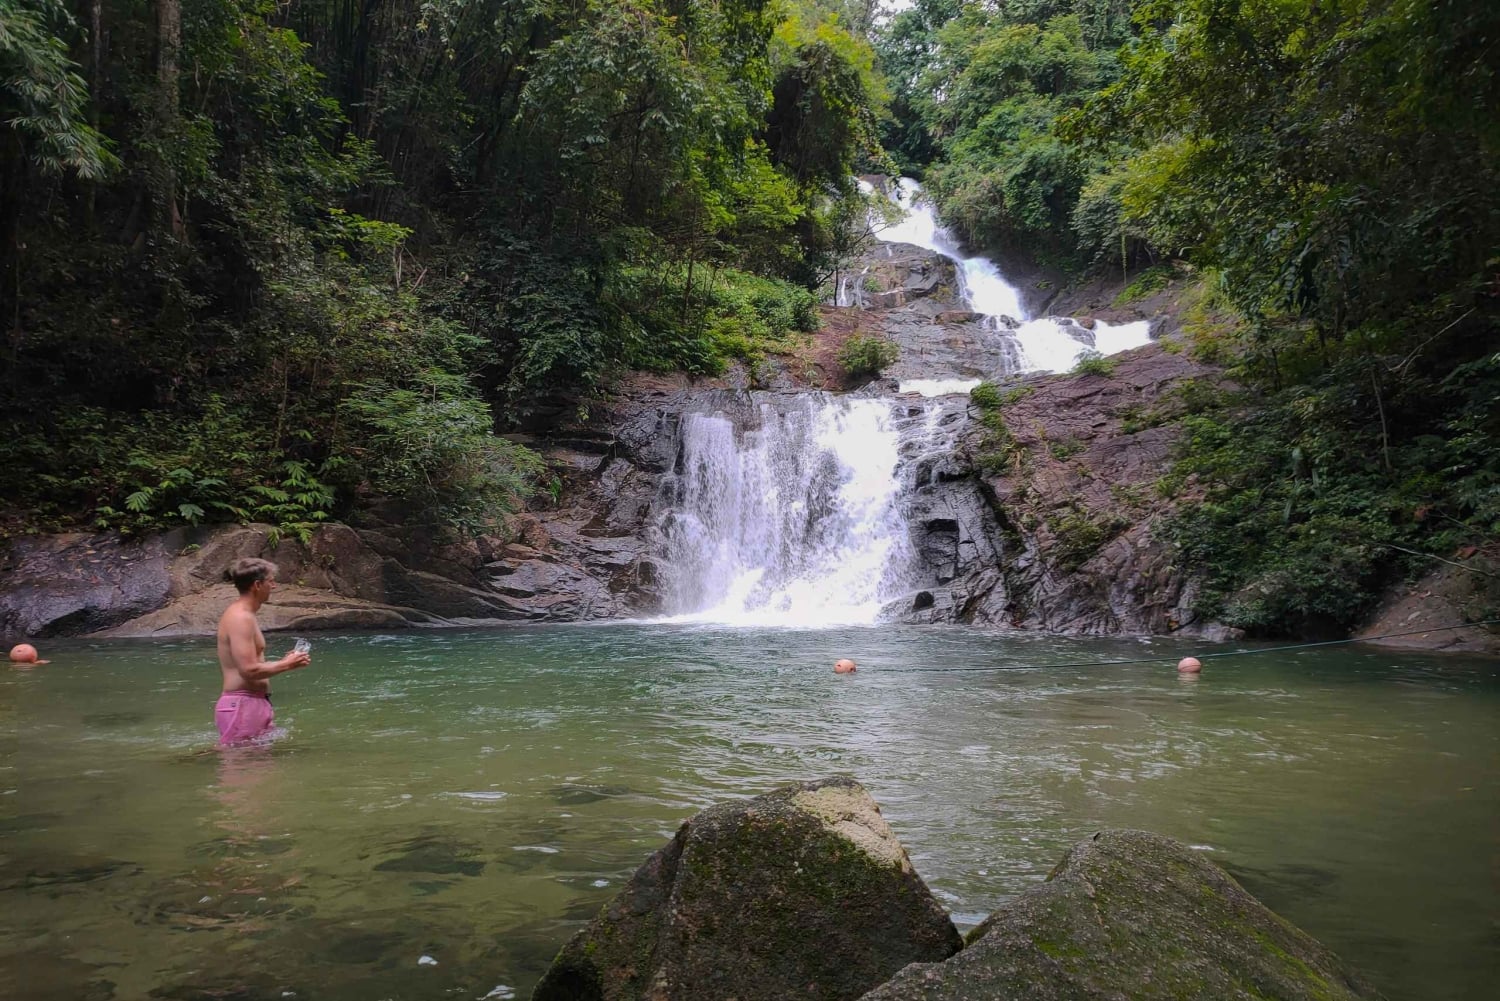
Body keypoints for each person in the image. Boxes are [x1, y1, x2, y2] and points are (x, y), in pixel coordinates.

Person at [215, 557, 311, 746]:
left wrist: (285, 661)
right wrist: (287, 665)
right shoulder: (240, 618)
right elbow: (249, 670)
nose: (274, 586)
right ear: (257, 585)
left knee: (257, 767)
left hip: (251, 703)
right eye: (271, 581)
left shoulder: (246, 615)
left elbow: (251, 664)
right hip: (242, 704)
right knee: (242, 768)